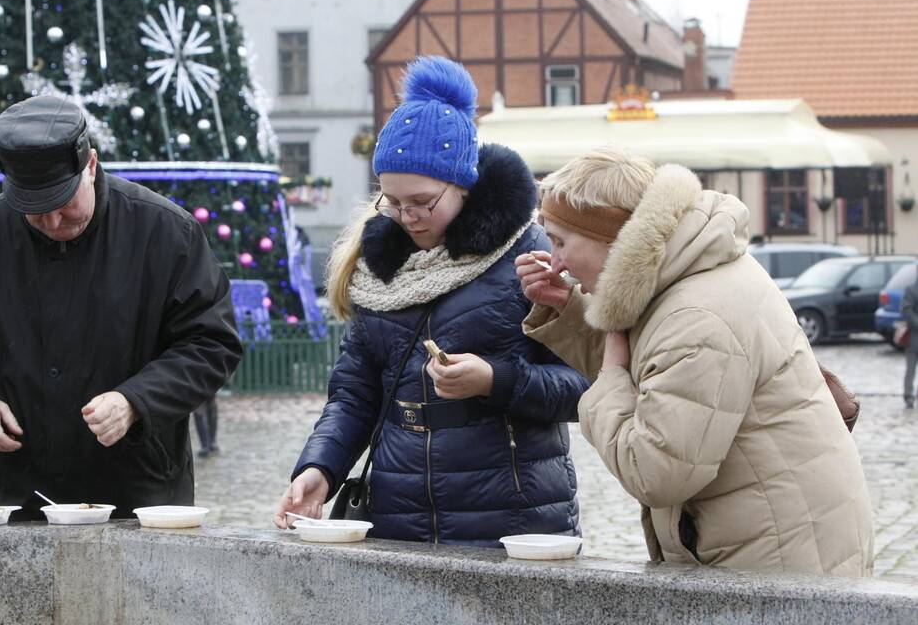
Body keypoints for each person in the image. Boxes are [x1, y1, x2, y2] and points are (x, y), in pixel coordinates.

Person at [272, 56, 588, 546]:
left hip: (512, 514)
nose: (407, 217)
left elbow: (582, 387)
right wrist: (321, 467)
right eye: (392, 203)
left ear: (462, 185)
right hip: (398, 509)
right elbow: (356, 391)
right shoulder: (380, 267)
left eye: (422, 202)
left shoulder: (528, 255)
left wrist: (495, 380)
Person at [515, 147, 874, 576]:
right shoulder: (686, 269)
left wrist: (609, 379)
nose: (555, 262)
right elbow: (661, 376)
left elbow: (657, 470)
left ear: (611, 239)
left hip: (773, 558)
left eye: (560, 242)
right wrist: (570, 311)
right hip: (774, 540)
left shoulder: (695, 315)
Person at [0, 95, 242, 519]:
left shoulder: (166, 232)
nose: (53, 223)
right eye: (34, 211)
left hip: (141, 491)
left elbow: (211, 342)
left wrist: (135, 401)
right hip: (22, 490)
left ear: (90, 164)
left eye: (63, 203)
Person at [901, 268, 918, 408]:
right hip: (914, 338)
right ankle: (908, 396)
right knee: (911, 369)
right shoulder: (911, 290)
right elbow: (907, 310)